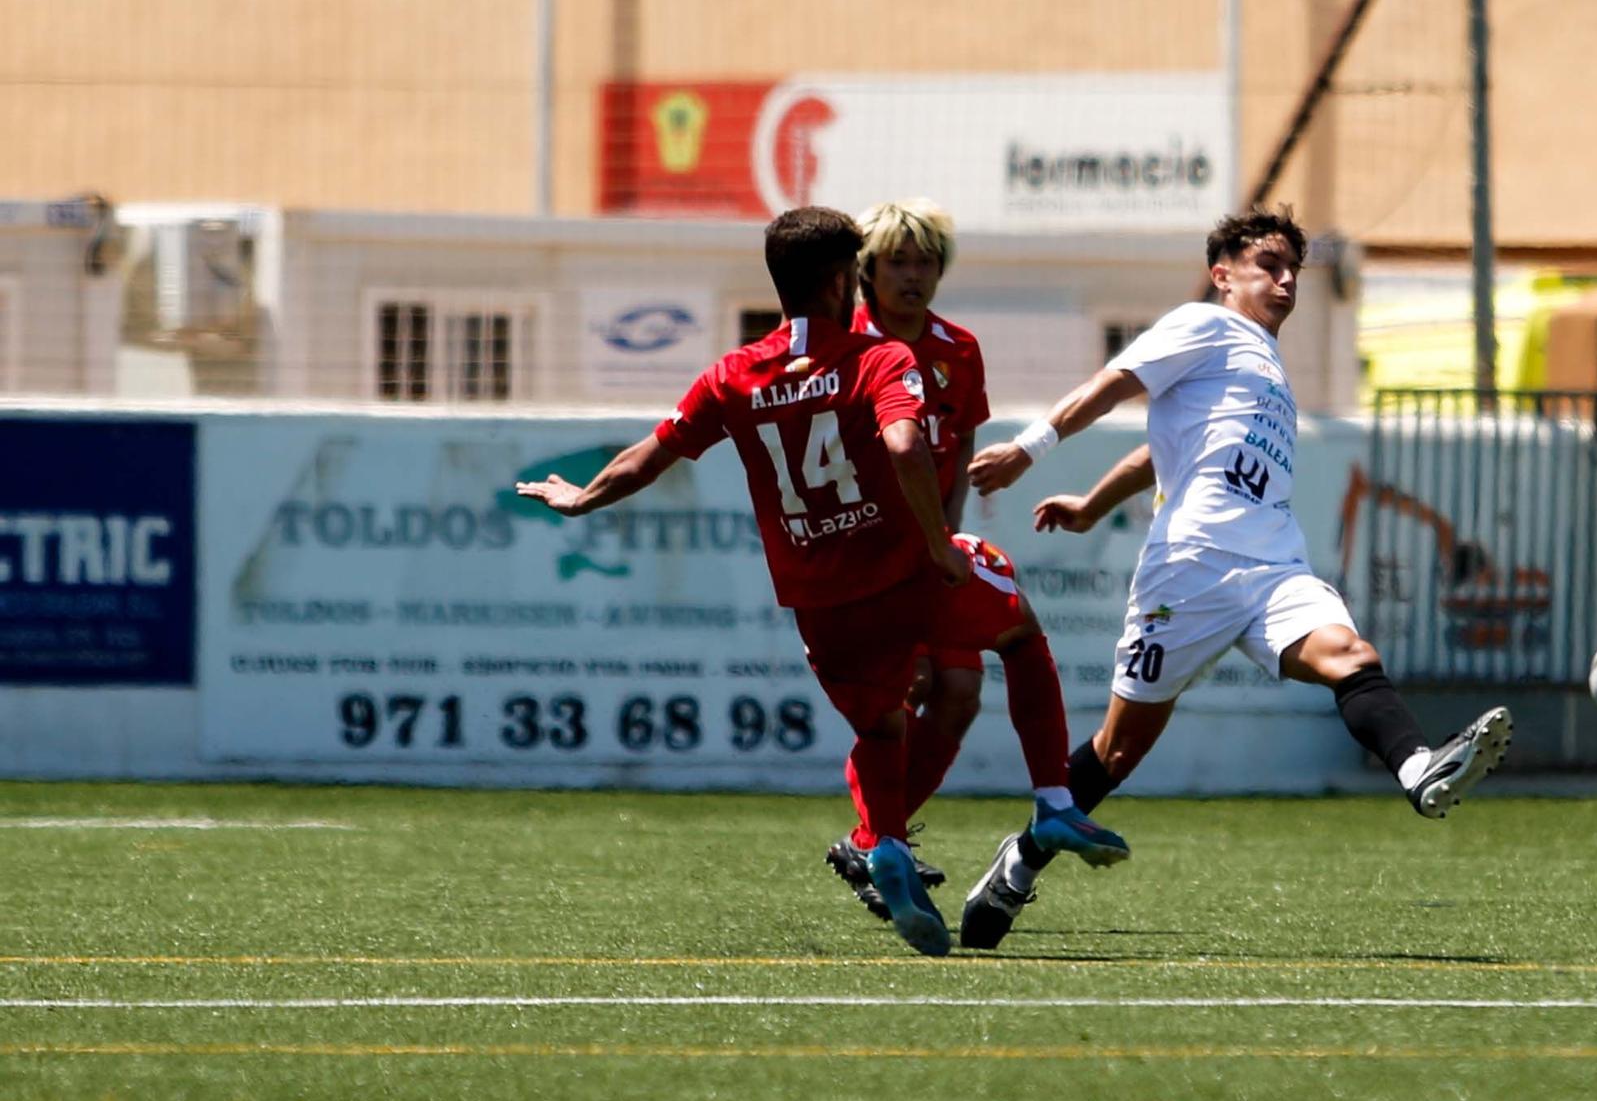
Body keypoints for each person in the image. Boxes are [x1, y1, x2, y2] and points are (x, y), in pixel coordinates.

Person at [515, 207, 1114, 957]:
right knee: (1020, 633)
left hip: (820, 606)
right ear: (844, 281)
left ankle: (887, 847)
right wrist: (939, 542)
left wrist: (581, 496)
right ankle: (1054, 799)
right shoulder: (876, 358)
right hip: (903, 573)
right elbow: (905, 445)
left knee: (884, 725)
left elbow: (650, 455)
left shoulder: (733, 374)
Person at [959, 206, 1512, 950]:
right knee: (1117, 753)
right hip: (1189, 568)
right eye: (1268, 266)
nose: (1285, 281)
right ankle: (1021, 859)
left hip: (1275, 562)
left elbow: (1165, 451)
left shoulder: (1264, 366)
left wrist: (1094, 504)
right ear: (1224, 275)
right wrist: (1030, 449)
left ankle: (1418, 769)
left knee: (1351, 656)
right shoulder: (1204, 325)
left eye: (1293, 271)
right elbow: (1116, 381)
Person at [821, 198, 1128, 921]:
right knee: (903, 696)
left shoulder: (957, 349)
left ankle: (872, 842)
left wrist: (945, 541)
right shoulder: (843, 346)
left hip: (927, 551)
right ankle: (880, 839)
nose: (914, 274)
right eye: (898, 260)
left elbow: (952, 450)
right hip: (860, 559)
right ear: (866, 269)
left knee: (958, 693)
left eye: (926, 261)